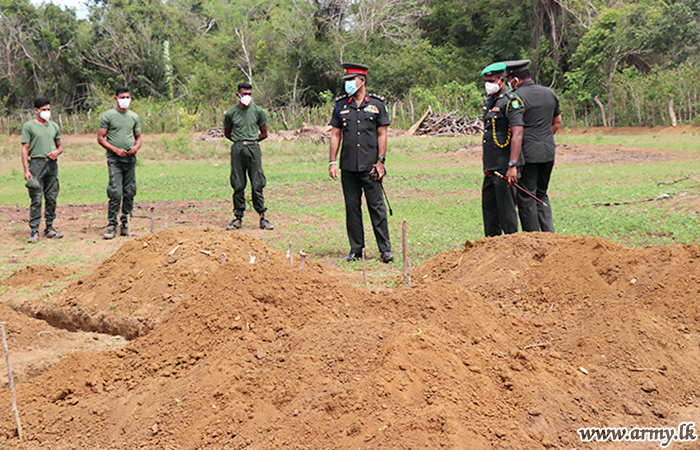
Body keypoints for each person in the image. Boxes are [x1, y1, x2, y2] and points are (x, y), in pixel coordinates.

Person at [328, 63, 393, 263]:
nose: (347, 84)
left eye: (350, 80)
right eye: (346, 81)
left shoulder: (377, 104)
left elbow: (382, 134)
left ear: (361, 80)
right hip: (348, 167)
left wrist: (380, 161)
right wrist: (332, 161)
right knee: (352, 209)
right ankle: (356, 249)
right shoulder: (341, 105)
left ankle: (385, 250)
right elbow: (335, 135)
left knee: (377, 208)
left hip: (371, 167)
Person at [504, 59, 562, 232]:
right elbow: (557, 122)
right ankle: (549, 235)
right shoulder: (549, 93)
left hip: (527, 154)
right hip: (548, 151)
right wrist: (543, 138)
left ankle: (533, 238)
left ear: (515, 79)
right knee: (541, 193)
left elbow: (516, 131)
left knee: (526, 196)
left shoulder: (515, 97)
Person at [480, 62, 524, 237]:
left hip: (506, 166)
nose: (488, 84)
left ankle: (512, 247)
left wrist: (512, 164)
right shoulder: (489, 101)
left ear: (502, 80)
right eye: (486, 80)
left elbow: (517, 134)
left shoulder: (511, 102)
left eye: (491, 80)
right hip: (492, 166)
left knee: (506, 211)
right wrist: (486, 164)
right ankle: (491, 246)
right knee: (489, 210)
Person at [223, 82, 274, 231]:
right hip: (237, 149)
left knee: (257, 183)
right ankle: (238, 217)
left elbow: (264, 133)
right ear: (238, 95)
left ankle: (262, 217)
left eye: (249, 94)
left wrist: (252, 141)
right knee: (238, 183)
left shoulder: (258, 111)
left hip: (254, 148)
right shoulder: (231, 113)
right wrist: (239, 142)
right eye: (244, 94)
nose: (247, 97)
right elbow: (227, 132)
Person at [97, 86, 142, 239]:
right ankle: (111, 225)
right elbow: (101, 138)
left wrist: (136, 147)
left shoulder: (134, 117)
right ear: (116, 99)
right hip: (115, 159)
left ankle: (126, 224)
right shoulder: (107, 116)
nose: (125, 100)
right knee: (115, 191)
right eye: (122, 98)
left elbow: (138, 137)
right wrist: (116, 150)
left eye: (127, 98)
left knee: (130, 190)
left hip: (130, 159)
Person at [20, 97, 64, 243]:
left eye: (48, 109)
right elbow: (24, 149)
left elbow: (60, 146)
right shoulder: (29, 126)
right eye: (44, 110)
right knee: (36, 199)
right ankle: (34, 231)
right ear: (36, 110)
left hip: (52, 165)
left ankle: (49, 228)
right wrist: (26, 170)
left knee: (51, 198)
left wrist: (57, 152)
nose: (47, 112)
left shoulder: (54, 126)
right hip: (36, 165)